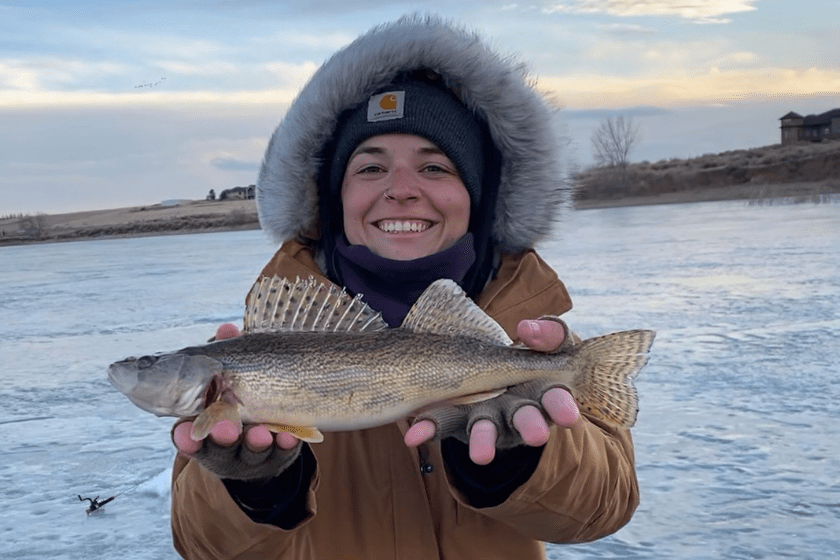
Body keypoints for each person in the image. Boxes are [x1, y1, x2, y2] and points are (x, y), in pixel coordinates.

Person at [170, 15, 639, 559]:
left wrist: (521, 464)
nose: (401, 191)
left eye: (435, 167)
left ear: (478, 198)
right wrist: (257, 493)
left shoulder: (524, 335)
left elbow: (606, 507)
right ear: (333, 199)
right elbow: (200, 546)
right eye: (370, 169)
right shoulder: (257, 348)